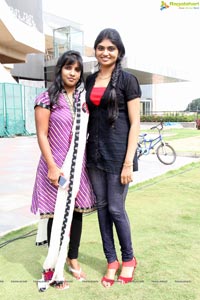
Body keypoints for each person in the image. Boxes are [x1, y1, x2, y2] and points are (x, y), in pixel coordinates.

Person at [31, 50, 96, 291]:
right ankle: (52, 264)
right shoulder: (47, 97)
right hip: (54, 166)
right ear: (60, 69)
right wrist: (51, 166)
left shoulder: (83, 99)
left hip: (78, 165)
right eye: (68, 67)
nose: (72, 72)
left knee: (76, 213)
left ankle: (72, 258)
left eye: (77, 69)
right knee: (54, 214)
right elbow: (42, 134)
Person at [85, 28, 141, 288]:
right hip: (94, 153)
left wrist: (129, 161)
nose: (105, 52)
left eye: (111, 48)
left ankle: (128, 259)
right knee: (102, 209)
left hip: (119, 155)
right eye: (101, 48)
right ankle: (111, 260)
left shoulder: (128, 81)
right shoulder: (89, 79)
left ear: (119, 52)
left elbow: (135, 123)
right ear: (95, 51)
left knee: (116, 209)